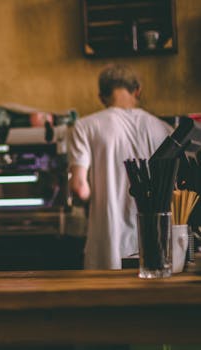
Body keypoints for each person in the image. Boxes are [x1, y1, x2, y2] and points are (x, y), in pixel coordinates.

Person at [68, 64, 171, 270]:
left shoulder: (85, 127)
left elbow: (80, 188)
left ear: (102, 96)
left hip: (106, 247)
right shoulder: (164, 129)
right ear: (137, 90)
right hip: (154, 248)